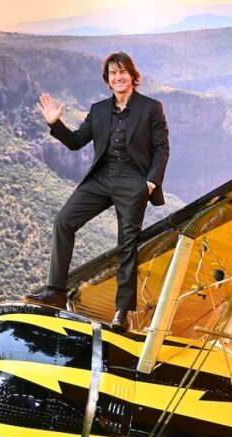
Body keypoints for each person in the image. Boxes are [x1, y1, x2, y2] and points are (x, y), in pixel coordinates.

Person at [24, 51, 169, 333]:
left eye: (123, 71)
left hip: (133, 180)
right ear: (108, 80)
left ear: (132, 76)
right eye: (113, 73)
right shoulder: (99, 109)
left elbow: (162, 147)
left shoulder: (151, 107)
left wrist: (150, 183)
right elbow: (76, 142)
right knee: (63, 221)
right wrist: (55, 123)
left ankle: (122, 312)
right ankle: (55, 291)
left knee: (127, 244)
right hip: (101, 177)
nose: (118, 77)